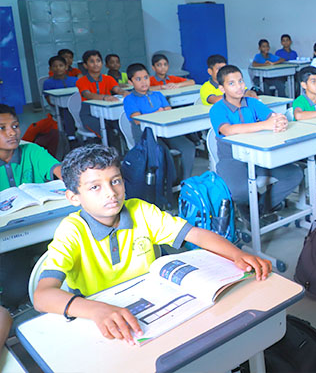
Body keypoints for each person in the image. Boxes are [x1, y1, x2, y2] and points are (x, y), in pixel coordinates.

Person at [32, 144, 271, 344]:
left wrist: (236, 254)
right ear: (74, 197)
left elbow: (195, 235)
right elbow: (42, 296)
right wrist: (96, 310)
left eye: (115, 181)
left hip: (155, 305)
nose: (110, 193)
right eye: (95, 187)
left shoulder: (140, 210)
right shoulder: (71, 230)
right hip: (100, 318)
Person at [209, 65, 303, 217]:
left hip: (259, 155)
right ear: (221, 88)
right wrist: (264, 125)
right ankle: (250, 211)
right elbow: (228, 130)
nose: (239, 86)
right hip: (232, 158)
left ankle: (261, 209)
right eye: (231, 83)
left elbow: (272, 117)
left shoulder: (252, 102)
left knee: (294, 174)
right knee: (240, 191)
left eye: (240, 81)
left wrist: (280, 121)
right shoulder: (217, 109)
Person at [0, 104, 62, 309]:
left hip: (41, 230)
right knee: (16, 293)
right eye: (2, 128)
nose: (12, 133)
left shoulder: (31, 150)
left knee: (70, 269)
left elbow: (58, 169)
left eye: (15, 126)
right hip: (7, 241)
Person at [123, 63, 196, 181]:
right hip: (146, 136)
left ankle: (185, 180)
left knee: (188, 146)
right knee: (162, 152)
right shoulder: (129, 99)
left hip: (166, 131)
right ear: (130, 82)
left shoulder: (157, 94)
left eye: (146, 78)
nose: (144, 82)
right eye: (138, 79)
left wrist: (159, 112)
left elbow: (168, 111)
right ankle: (169, 183)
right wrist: (158, 112)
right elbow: (137, 120)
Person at [75, 50, 127, 145]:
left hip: (108, 113)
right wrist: (104, 97)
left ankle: (129, 151)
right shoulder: (81, 81)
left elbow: (117, 89)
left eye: (98, 61)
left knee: (124, 125)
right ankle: (110, 155)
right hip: (89, 114)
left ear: (102, 63)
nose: (96, 64)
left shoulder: (108, 79)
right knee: (107, 132)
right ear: (85, 65)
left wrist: (125, 93)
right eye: (92, 61)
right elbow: (87, 94)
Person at [43, 55, 78, 138]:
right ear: (50, 69)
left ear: (66, 67)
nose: (58, 68)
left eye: (61, 66)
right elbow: (48, 98)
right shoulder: (48, 82)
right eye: (55, 66)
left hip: (76, 105)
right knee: (66, 112)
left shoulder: (74, 80)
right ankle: (71, 136)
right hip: (59, 106)